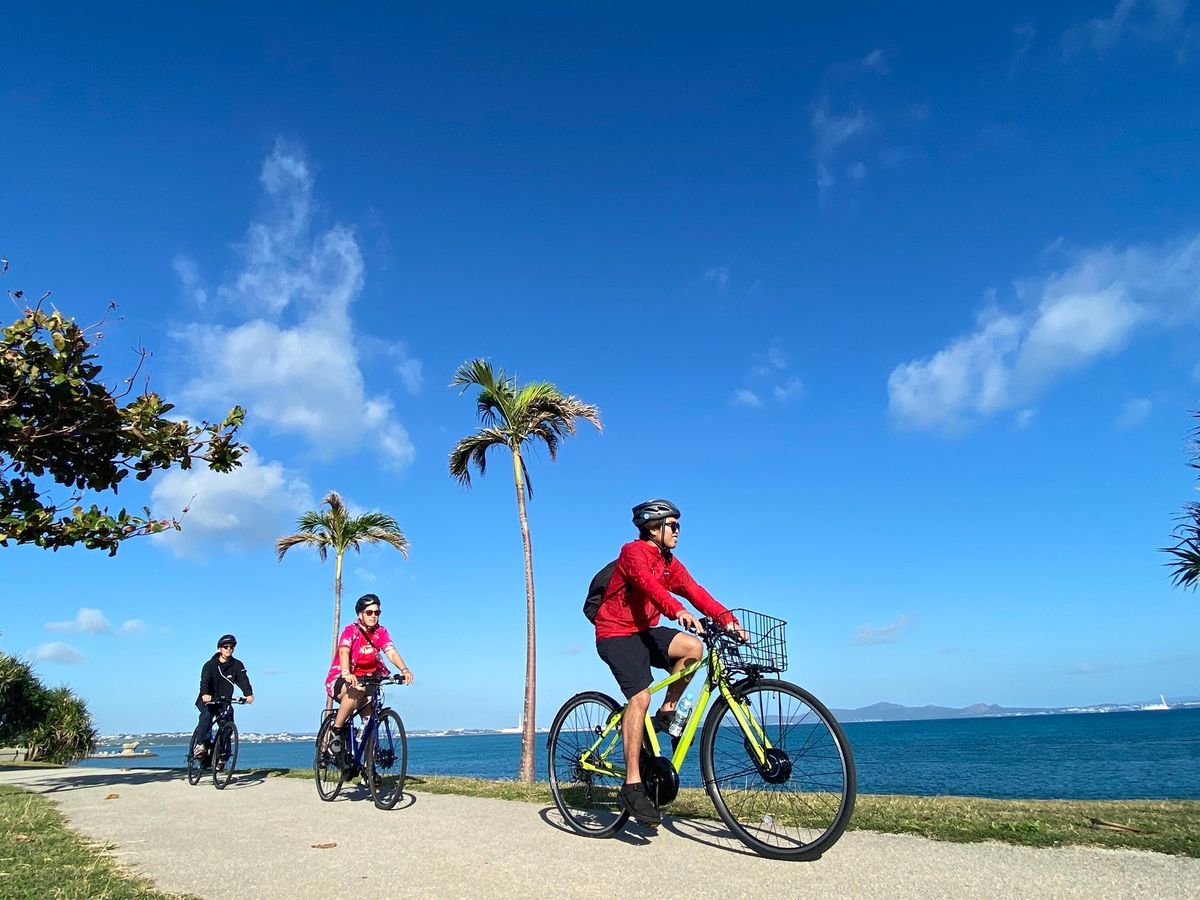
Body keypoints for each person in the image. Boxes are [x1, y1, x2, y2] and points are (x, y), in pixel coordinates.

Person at [593, 499, 744, 825]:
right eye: (672, 525)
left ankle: (668, 710)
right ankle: (632, 783)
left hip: (645, 631)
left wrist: (729, 620)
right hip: (615, 634)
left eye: (679, 525)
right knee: (640, 696)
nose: (678, 531)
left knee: (692, 648)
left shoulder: (668, 562)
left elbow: (694, 590)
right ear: (652, 527)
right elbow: (648, 588)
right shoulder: (632, 553)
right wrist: (677, 612)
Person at [324, 593, 414, 763]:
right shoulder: (351, 631)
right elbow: (344, 650)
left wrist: (404, 669)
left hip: (370, 680)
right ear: (360, 614)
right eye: (369, 612)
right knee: (356, 690)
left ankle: (368, 769)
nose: (374, 616)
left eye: (377, 612)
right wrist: (346, 672)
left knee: (370, 724)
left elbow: (391, 651)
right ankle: (336, 732)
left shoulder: (381, 632)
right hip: (342, 679)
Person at [193, 634, 254, 758]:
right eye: (225, 647)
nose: (228, 649)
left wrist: (248, 694)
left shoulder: (237, 665)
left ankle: (223, 753)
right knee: (207, 716)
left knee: (228, 721)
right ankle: (200, 744)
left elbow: (243, 680)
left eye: (231, 647)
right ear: (220, 649)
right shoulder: (209, 665)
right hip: (208, 699)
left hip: (224, 700)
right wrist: (205, 694)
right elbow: (204, 681)